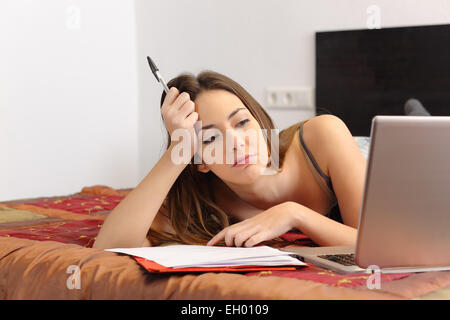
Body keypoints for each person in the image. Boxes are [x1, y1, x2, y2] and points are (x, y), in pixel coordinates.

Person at [93, 71, 366, 249]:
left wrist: (293, 213)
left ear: (259, 121)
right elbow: (109, 247)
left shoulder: (323, 135)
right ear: (200, 161)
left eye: (242, 122)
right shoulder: (201, 199)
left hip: (369, 157)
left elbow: (378, 245)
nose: (236, 143)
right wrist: (178, 148)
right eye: (211, 139)